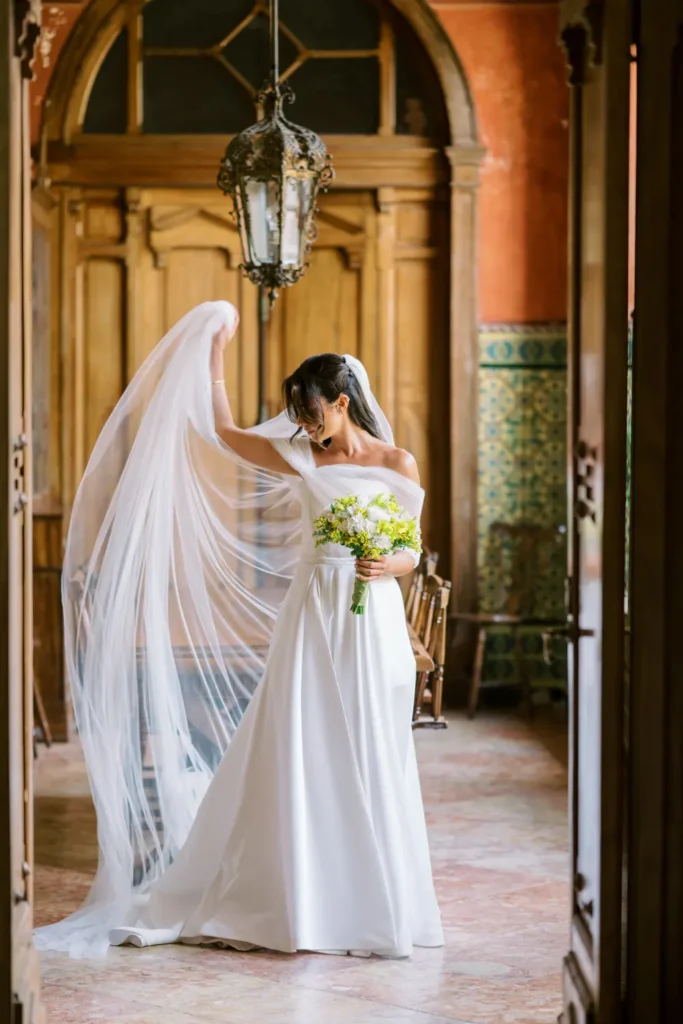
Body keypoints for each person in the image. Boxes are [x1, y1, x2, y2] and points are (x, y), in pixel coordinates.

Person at [35, 300, 443, 960]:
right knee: (304, 744)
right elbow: (223, 433)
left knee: (373, 748)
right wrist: (215, 349)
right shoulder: (302, 459)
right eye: (299, 418)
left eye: (312, 414)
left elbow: (410, 550)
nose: (305, 428)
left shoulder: (397, 463)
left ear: (342, 402)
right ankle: (299, 900)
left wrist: (385, 563)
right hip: (313, 616)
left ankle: (378, 902)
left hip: (373, 623)